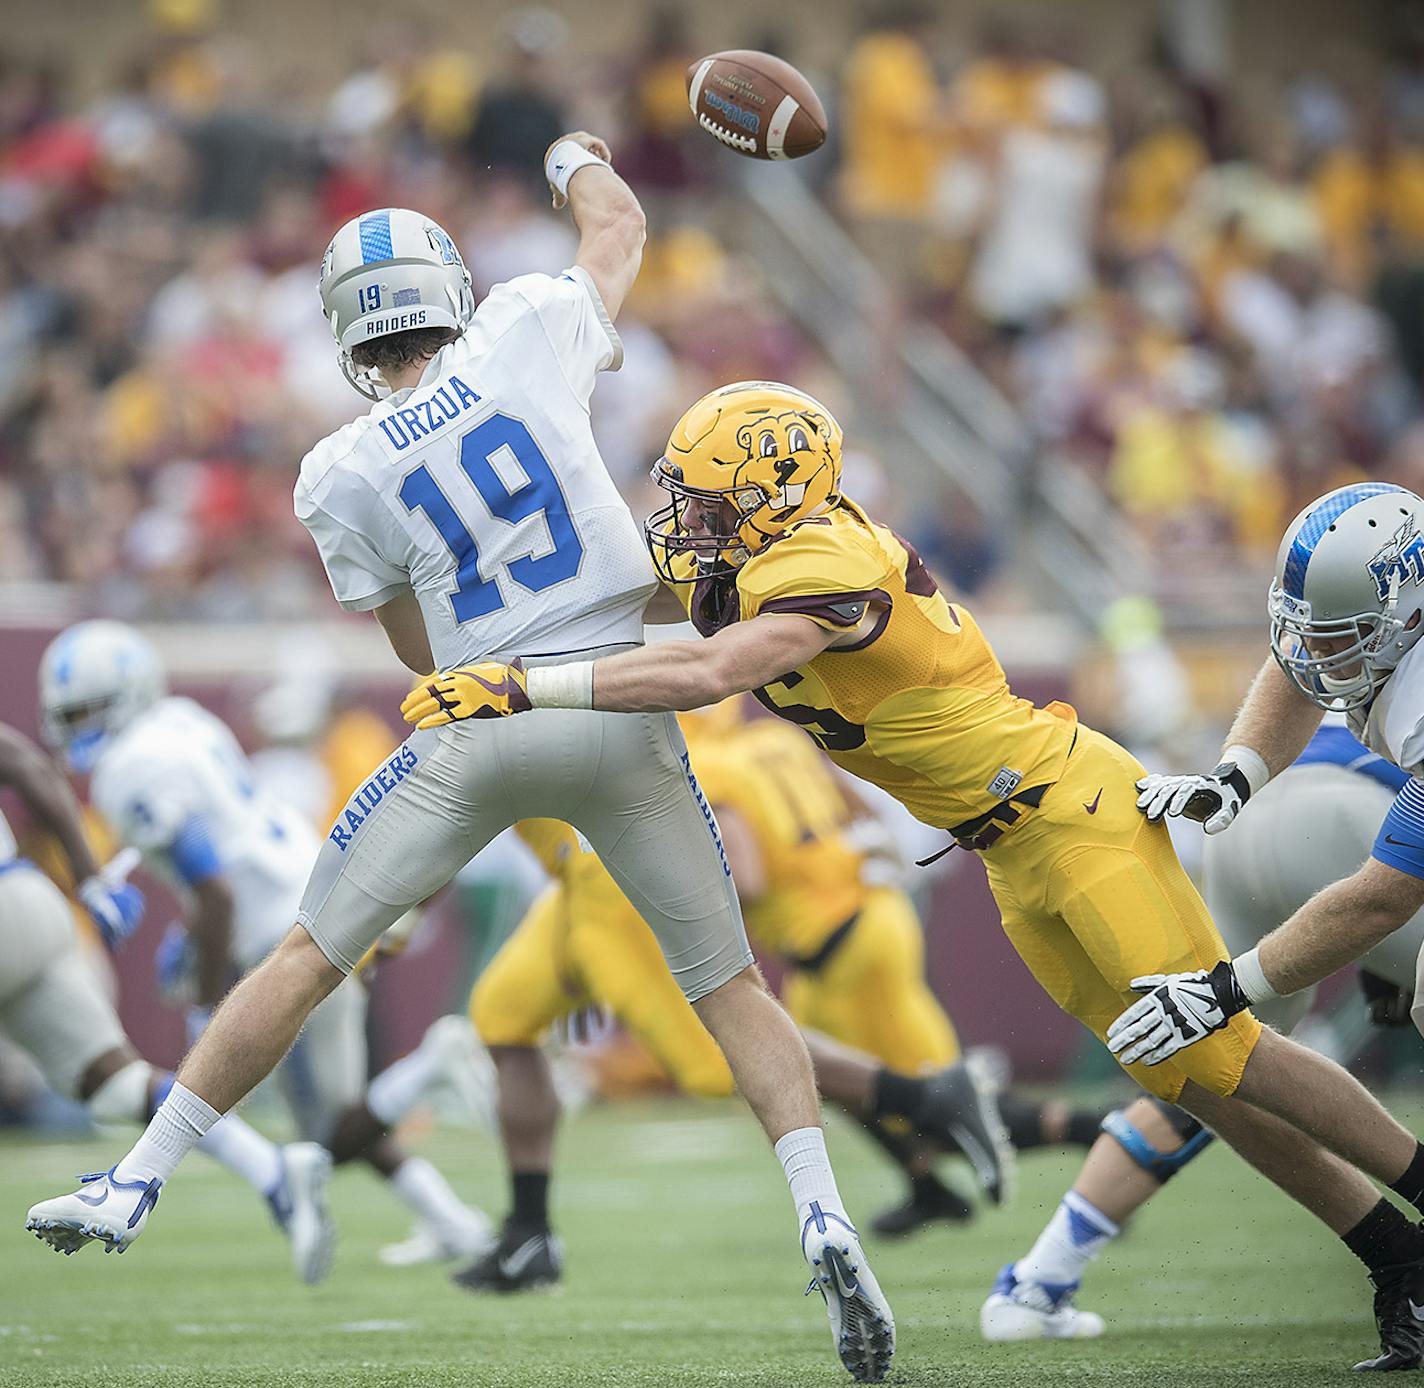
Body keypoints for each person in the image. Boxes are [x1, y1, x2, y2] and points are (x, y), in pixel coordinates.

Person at [26, 136, 894, 1385]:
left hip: (480, 726)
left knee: (307, 955)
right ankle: (820, 1208)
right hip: (619, 711)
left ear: (345, 327)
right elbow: (620, 227)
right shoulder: (529, 325)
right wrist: (573, 156)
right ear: (450, 286)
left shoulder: (336, 470)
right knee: (727, 985)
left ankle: (136, 1176)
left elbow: (422, 652)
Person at [402, 387, 1424, 1372]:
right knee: (1192, 1084)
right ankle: (1395, 1257)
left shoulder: (825, 568)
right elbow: (632, 591)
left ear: (770, 501)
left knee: (1225, 1047)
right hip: (1005, 848)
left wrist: (521, 684)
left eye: (710, 503)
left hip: (1071, 812)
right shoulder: (762, 555)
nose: (686, 522)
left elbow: (707, 672)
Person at [30, 620, 491, 1267]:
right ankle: (453, 1222)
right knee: (332, 1120)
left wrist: (207, 997)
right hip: (310, 893)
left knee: (327, 1134)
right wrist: (195, 937)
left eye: (88, 710)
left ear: (126, 695)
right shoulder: (181, 721)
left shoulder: (131, 769)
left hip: (286, 932)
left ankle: (425, 1074)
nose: (79, 725)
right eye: (69, 714)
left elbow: (214, 889)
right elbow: (221, 868)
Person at [1099, 480, 1424, 1369]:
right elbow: (1292, 670)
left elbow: (1381, 896)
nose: (1319, 651)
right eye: (1310, 624)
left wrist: (1225, 989)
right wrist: (1236, 773)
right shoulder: (1379, 628)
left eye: (1340, 632)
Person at [980, 717, 1419, 1343]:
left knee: (1205, 1058)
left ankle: (1043, 1276)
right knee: (1218, 1045)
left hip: (1249, 823)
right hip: (1364, 822)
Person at [3, 718, 334, 1284]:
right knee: (113, 1084)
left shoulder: (144, 766)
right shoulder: (190, 732)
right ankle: (270, 1169)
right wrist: (91, 881)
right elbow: (30, 765)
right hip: (31, 900)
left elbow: (214, 889)